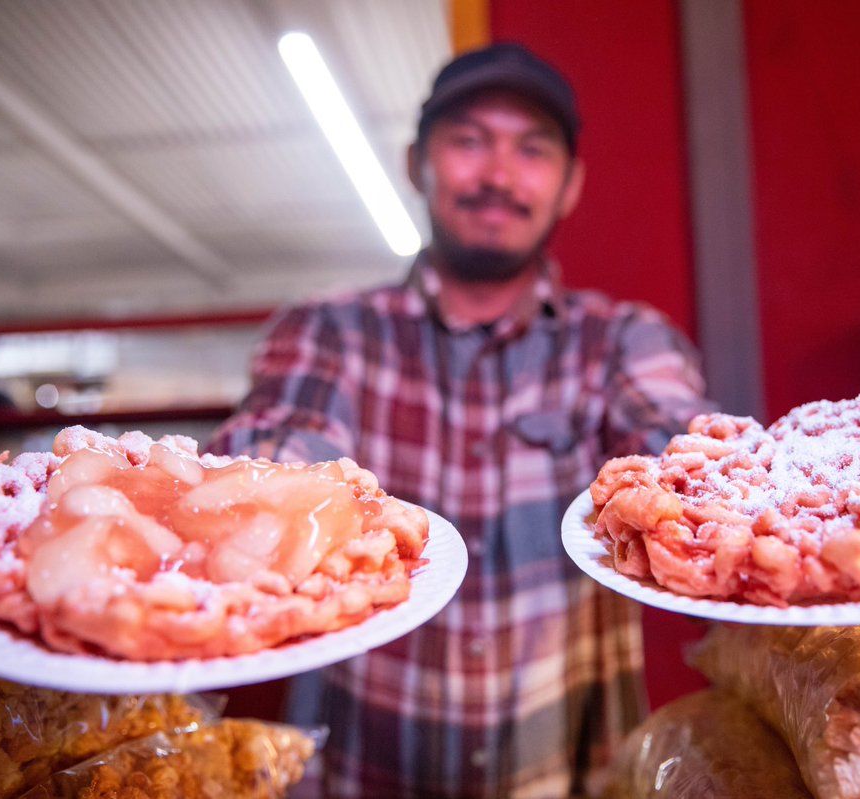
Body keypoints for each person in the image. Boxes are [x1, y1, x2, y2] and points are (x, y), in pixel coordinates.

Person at [208, 41, 714, 798]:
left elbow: (682, 462)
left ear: (570, 184)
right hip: (356, 771)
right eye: (470, 141)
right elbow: (282, 449)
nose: (499, 175)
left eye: (532, 150)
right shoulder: (330, 332)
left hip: (570, 773)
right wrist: (252, 489)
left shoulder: (623, 340)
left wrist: (723, 504)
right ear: (418, 164)